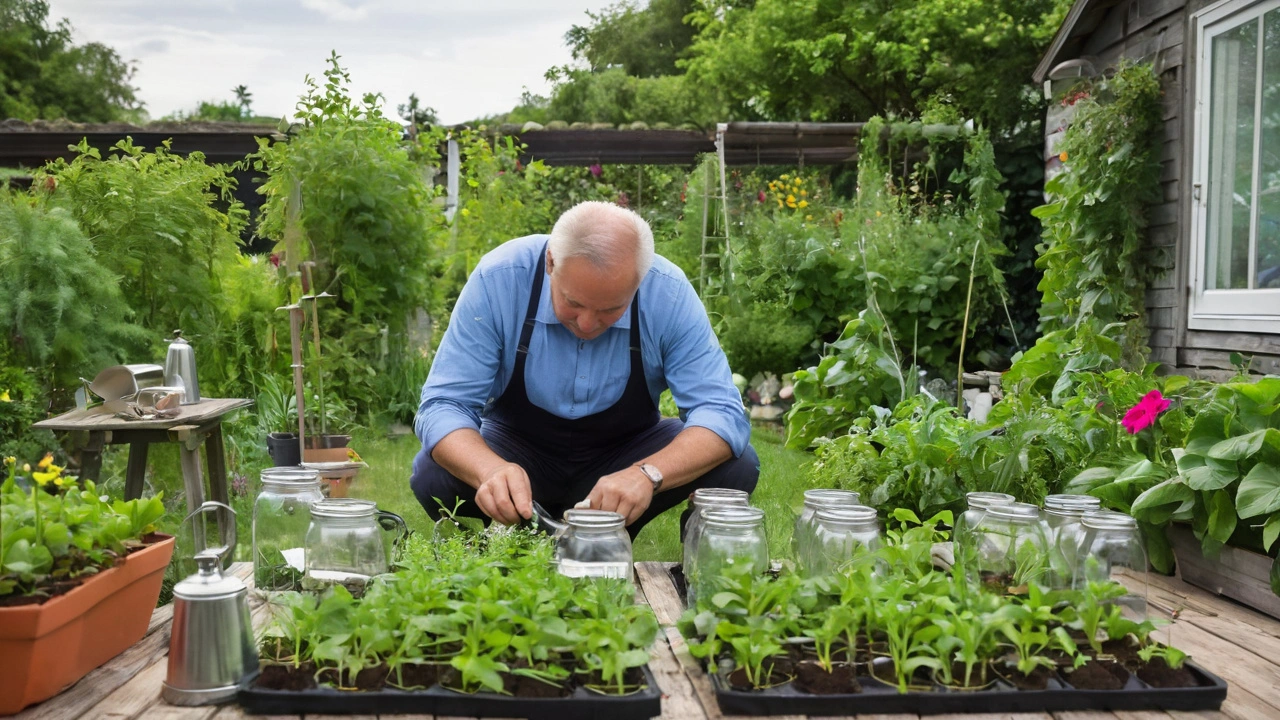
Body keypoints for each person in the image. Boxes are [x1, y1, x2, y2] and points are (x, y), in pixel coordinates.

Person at [410, 200, 758, 538]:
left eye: (611, 308)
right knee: (431, 472)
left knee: (737, 465)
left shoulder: (667, 292)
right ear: (550, 262)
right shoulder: (499, 278)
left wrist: (647, 474)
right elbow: (444, 405)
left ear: (639, 281)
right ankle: (495, 546)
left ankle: (698, 560)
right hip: (517, 447)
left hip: (626, 451)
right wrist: (490, 470)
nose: (588, 324)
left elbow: (720, 411)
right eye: (573, 302)